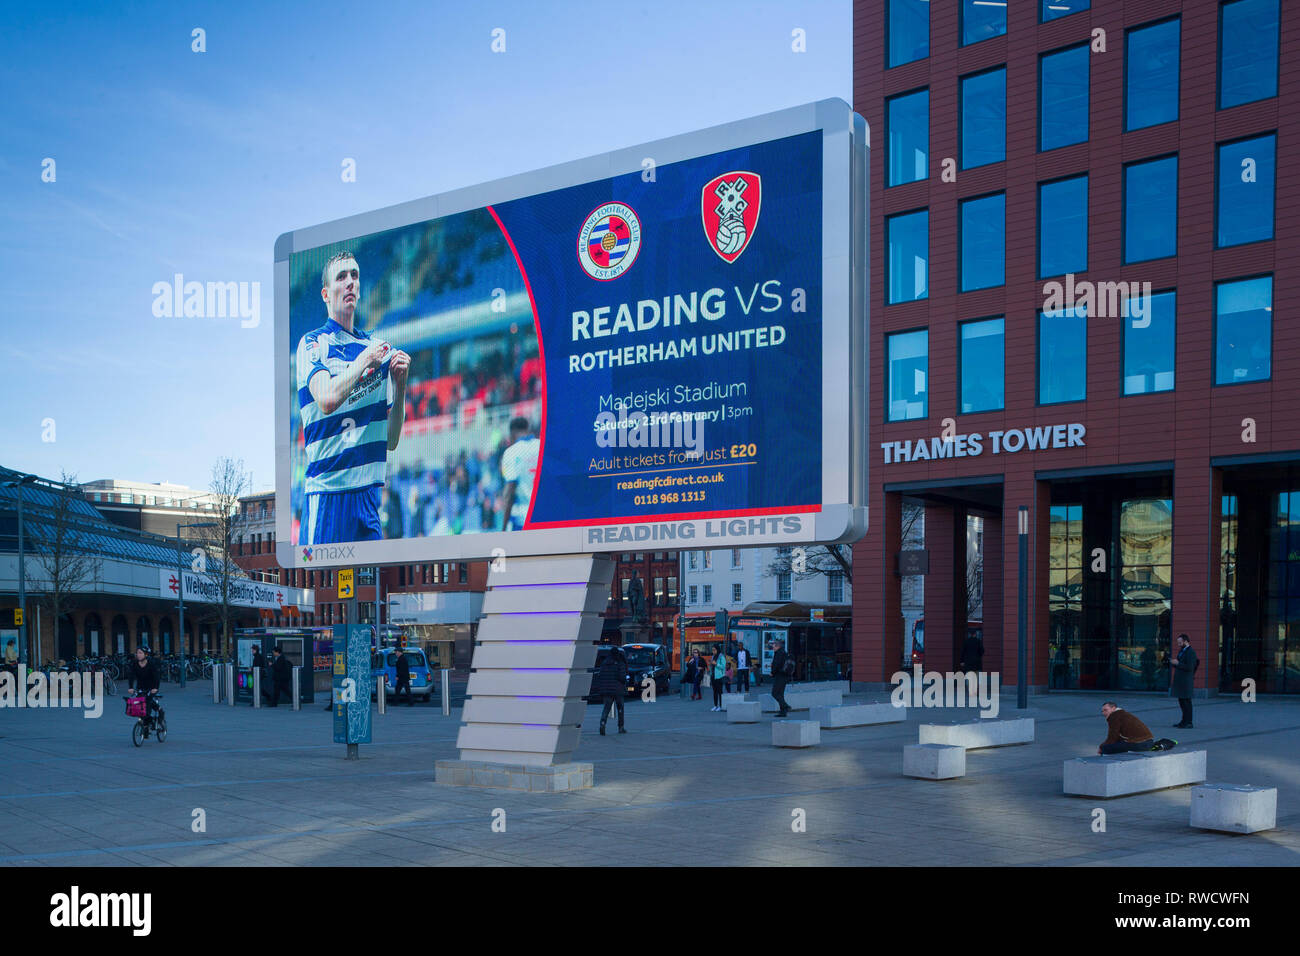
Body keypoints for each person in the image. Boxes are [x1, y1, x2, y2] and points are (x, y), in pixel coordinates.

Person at [296, 250, 411, 545]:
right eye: (341, 276)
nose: (350, 282)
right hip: (327, 496)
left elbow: (392, 440)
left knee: (371, 591)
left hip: (369, 499)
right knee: (321, 590)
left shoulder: (377, 348)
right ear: (325, 293)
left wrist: (400, 387)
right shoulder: (313, 344)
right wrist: (363, 361)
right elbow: (326, 398)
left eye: (355, 276)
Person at [498, 417, 540, 531]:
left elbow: (509, 492)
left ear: (512, 433)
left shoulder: (511, 453)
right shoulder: (542, 445)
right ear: (528, 429)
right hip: (545, 516)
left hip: (523, 519)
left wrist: (503, 527)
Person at [1097, 702, 1176, 754]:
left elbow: (1112, 737)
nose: (1104, 713)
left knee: (1106, 748)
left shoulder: (1114, 717)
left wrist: (1101, 747)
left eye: (1106, 710)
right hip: (1149, 742)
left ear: (1113, 708)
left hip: (1139, 744)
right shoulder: (1123, 714)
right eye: (1102, 711)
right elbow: (1117, 737)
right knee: (1117, 745)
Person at [593, 645, 627, 735]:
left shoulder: (604, 663)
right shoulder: (620, 663)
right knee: (620, 708)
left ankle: (603, 723)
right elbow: (622, 677)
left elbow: (600, 676)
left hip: (606, 690)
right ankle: (621, 727)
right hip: (618, 690)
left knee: (606, 708)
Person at [127, 646, 163, 728]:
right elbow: (131, 675)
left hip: (151, 687)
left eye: (140, 653)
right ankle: (147, 722)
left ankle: (160, 710)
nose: (138, 655)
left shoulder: (151, 663)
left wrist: (156, 688)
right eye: (137, 653)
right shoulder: (135, 663)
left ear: (146, 654)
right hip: (140, 686)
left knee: (148, 703)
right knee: (139, 704)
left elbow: (156, 676)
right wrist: (131, 687)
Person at [1170, 633, 1199, 728]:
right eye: (1178, 642)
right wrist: (1174, 663)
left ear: (1186, 641)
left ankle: (1189, 722)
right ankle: (1183, 721)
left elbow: (1190, 667)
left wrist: (1178, 663)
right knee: (1182, 701)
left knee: (1186, 702)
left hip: (1186, 681)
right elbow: (1181, 664)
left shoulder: (1190, 652)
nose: (1178, 644)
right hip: (1181, 680)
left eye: (1180, 642)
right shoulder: (1182, 651)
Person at [770, 638, 792, 718]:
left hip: (780, 675)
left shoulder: (779, 653)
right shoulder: (783, 652)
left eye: (773, 645)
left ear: (777, 646)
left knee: (775, 693)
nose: (772, 647)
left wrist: (772, 672)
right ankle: (783, 711)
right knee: (780, 694)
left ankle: (786, 706)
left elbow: (777, 664)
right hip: (785, 675)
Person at [710, 644, 728, 711]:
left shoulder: (721, 657)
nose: (713, 651)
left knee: (720, 691)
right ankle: (715, 705)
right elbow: (712, 666)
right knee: (714, 691)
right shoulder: (713, 657)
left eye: (714, 650)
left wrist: (716, 664)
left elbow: (723, 666)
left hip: (719, 676)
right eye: (712, 650)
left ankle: (720, 705)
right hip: (713, 676)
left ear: (717, 650)